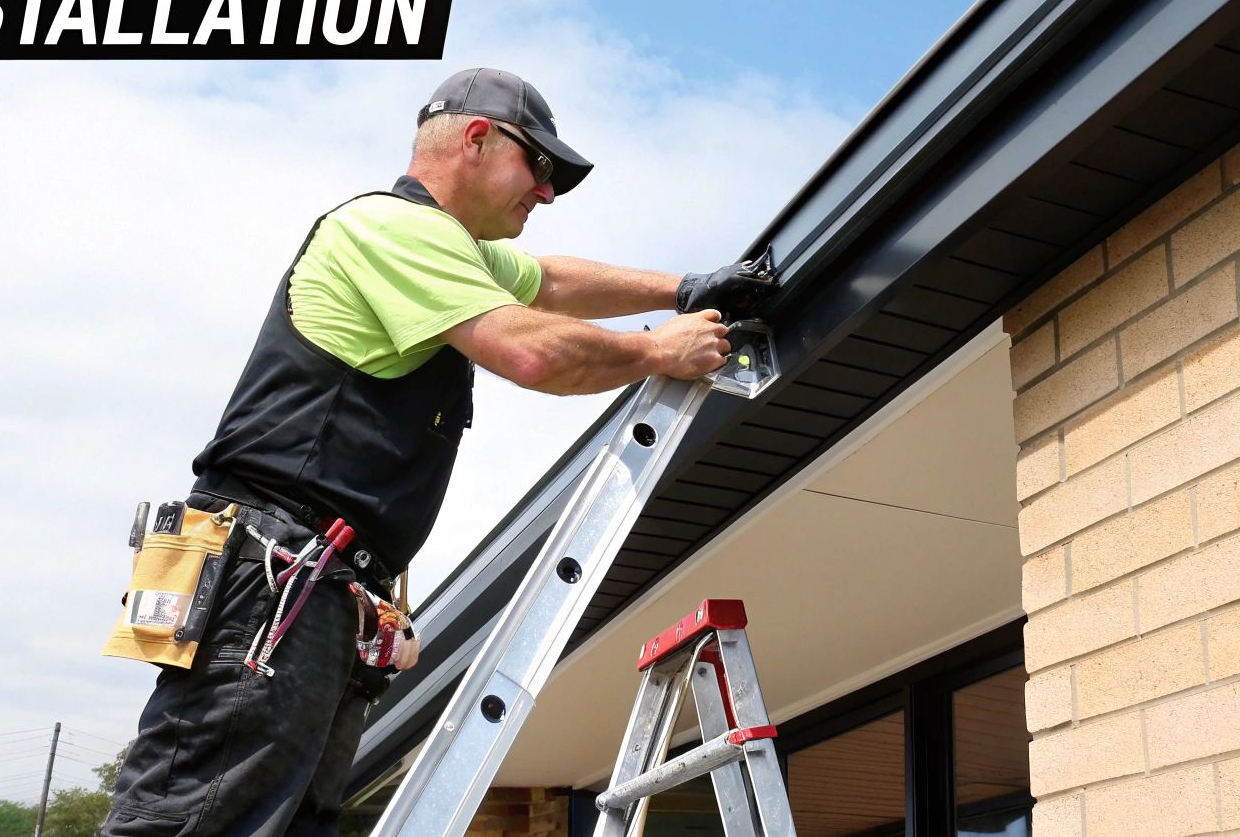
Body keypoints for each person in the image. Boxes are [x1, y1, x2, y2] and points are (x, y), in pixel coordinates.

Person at [100, 68, 777, 837]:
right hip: (275, 577)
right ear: (477, 138)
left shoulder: (453, 251)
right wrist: (657, 349)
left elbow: (550, 285)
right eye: (540, 166)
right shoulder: (388, 228)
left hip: (318, 587)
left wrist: (686, 287)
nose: (547, 193)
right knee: (202, 819)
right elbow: (530, 349)